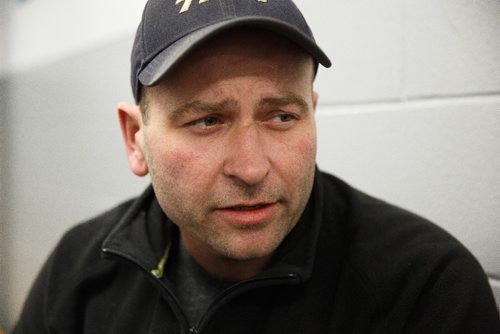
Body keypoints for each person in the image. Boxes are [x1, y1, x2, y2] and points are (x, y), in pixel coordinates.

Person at [14, 0, 500, 333]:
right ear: (135, 139)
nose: (251, 168)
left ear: (312, 112)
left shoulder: (423, 287)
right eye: (207, 120)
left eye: (282, 116)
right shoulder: (80, 270)